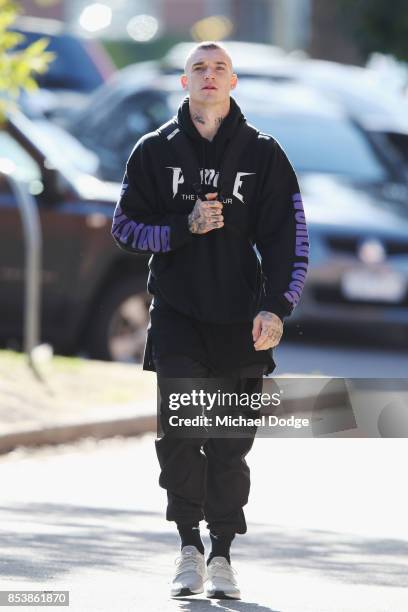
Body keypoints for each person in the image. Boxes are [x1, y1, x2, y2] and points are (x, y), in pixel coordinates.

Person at [111, 41, 309, 600]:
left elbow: (290, 239)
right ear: (184, 82)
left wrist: (276, 307)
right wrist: (182, 226)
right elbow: (125, 228)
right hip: (176, 314)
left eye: (219, 67)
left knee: (227, 442)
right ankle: (187, 547)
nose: (209, 75)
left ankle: (222, 554)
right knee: (179, 431)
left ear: (233, 82)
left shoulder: (264, 153)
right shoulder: (154, 150)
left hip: (241, 320)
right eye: (198, 67)